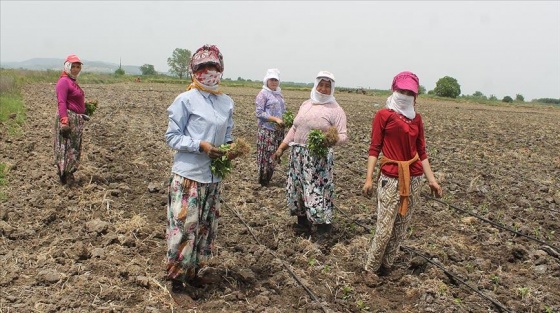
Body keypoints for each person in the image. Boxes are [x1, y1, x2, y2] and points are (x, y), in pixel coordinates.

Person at [164, 44, 240, 302]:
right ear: (194, 71)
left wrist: (230, 149)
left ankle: (194, 272)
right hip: (189, 176)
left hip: (212, 178)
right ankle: (176, 280)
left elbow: (227, 135)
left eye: (214, 67)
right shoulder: (185, 100)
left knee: (205, 228)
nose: (209, 72)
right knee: (185, 227)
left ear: (221, 69)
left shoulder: (226, 101)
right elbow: (172, 137)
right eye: (202, 67)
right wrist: (200, 145)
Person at [362, 71, 443, 276]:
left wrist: (432, 180)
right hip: (390, 177)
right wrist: (369, 178)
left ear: (415, 96)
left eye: (410, 92)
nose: (405, 95)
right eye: (402, 90)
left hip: (414, 177)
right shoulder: (384, 115)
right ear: (394, 90)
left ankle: (387, 266)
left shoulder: (417, 119)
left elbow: (422, 152)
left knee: (401, 226)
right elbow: (374, 148)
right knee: (384, 228)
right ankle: (370, 269)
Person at [273, 71, 347, 238]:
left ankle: (323, 227)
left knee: (317, 190)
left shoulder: (335, 110)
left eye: (327, 86)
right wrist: (281, 148)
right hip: (297, 155)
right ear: (316, 85)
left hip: (317, 157)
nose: (323, 88)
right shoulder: (306, 104)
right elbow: (294, 128)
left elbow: (343, 135)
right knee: (297, 188)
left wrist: (330, 140)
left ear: (332, 88)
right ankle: (302, 223)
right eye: (321, 84)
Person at [54, 54, 86, 186]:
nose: (76, 69)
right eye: (73, 66)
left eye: (78, 66)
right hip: (68, 118)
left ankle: (67, 173)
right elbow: (61, 102)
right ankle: (66, 174)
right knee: (66, 147)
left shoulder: (72, 81)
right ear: (67, 66)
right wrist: (64, 122)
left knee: (74, 147)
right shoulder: (63, 82)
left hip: (76, 119)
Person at [255, 68, 286, 186]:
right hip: (266, 130)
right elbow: (259, 113)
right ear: (266, 80)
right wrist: (275, 119)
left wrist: (285, 120)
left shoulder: (279, 95)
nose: (274, 82)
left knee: (275, 155)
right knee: (265, 156)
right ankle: (263, 180)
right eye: (271, 79)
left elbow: (283, 111)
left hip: (278, 131)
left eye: (276, 80)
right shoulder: (263, 94)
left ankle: (269, 177)